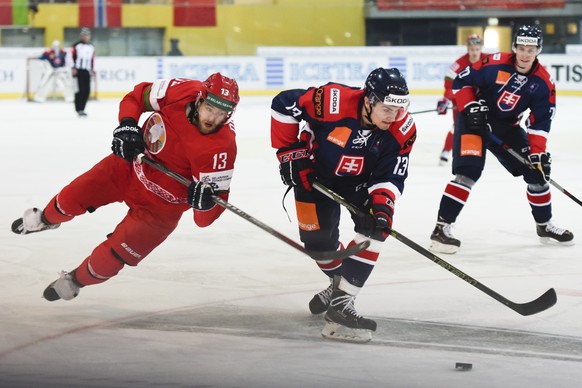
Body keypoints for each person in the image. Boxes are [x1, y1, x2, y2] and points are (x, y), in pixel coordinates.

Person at [11, 73, 240, 302]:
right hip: (127, 169)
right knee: (71, 199)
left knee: (110, 258)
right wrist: (128, 125)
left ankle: (75, 280)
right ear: (199, 99)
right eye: (210, 108)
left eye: (222, 114)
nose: (213, 119)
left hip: (160, 210)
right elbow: (137, 97)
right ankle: (46, 220)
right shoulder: (179, 90)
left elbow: (204, 219)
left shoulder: (221, 150)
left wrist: (204, 202)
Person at [270, 68, 417, 342]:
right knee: (317, 246)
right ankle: (338, 283)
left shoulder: (402, 128)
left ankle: (341, 303)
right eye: (386, 109)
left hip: (362, 182)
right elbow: (283, 104)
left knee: (376, 229)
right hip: (314, 174)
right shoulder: (331, 100)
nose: (393, 116)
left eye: (398, 110)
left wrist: (383, 208)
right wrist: (290, 154)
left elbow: (390, 175)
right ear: (369, 100)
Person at [429, 25, 574, 254]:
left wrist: (536, 154)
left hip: (507, 128)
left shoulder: (543, 83)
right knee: (467, 172)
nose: (525, 54)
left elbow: (540, 122)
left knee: (536, 173)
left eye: (531, 49)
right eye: (521, 48)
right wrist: (470, 106)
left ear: (539, 50)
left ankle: (544, 225)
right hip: (474, 122)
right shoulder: (494, 63)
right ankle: (441, 228)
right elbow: (461, 82)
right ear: (514, 47)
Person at [436, 34, 487, 165]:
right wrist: (445, 100)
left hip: (480, 98)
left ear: (480, 48)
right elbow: (449, 83)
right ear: (468, 48)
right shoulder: (459, 63)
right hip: (461, 99)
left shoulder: (488, 60)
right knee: (458, 126)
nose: (474, 52)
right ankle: (446, 151)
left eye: (477, 49)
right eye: (471, 49)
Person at [70, 27, 95, 117]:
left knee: (87, 91)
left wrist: (92, 70)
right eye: (84, 35)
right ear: (81, 36)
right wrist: (73, 67)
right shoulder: (76, 45)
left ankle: (82, 108)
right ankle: (78, 108)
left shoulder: (91, 46)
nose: (85, 37)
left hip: (87, 70)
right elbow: (71, 57)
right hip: (78, 70)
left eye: (87, 35)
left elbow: (92, 59)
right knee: (80, 90)